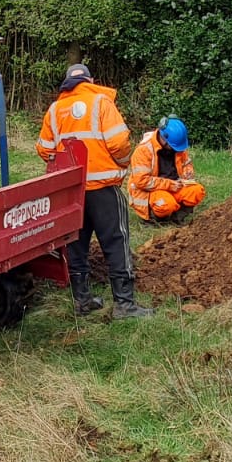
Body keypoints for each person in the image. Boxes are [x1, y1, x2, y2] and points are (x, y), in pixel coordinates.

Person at [36, 63, 152, 318]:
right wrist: (120, 165)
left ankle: (82, 301)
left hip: (71, 192)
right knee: (116, 242)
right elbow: (120, 142)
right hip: (103, 189)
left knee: (76, 244)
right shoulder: (101, 102)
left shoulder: (55, 110)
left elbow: (44, 149)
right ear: (90, 80)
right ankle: (125, 304)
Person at [127, 116, 205, 221]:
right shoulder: (143, 151)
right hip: (153, 190)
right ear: (164, 139)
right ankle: (156, 217)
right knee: (165, 204)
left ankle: (177, 216)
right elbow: (141, 181)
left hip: (175, 185)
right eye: (173, 147)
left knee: (197, 191)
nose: (176, 150)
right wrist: (170, 185)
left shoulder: (176, 147)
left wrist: (188, 172)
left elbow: (186, 162)